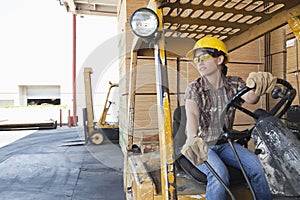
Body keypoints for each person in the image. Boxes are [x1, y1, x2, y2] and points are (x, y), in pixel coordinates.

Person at [181, 36, 275, 200]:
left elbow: (252, 98)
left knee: (259, 168)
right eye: (196, 59)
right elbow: (192, 114)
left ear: (220, 59)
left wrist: (258, 84)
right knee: (219, 175)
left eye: (203, 57)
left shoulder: (234, 84)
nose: (199, 63)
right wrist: (191, 137)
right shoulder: (194, 87)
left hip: (225, 143)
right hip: (202, 145)